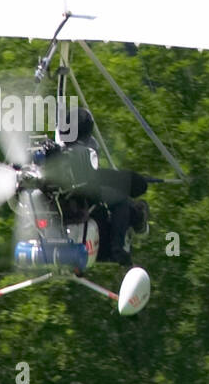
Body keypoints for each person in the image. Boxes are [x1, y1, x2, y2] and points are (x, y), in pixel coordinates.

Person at [39, 105, 150, 265]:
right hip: (76, 202)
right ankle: (118, 249)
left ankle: (135, 220)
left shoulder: (54, 153)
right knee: (122, 201)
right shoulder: (75, 157)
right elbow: (92, 180)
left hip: (64, 209)